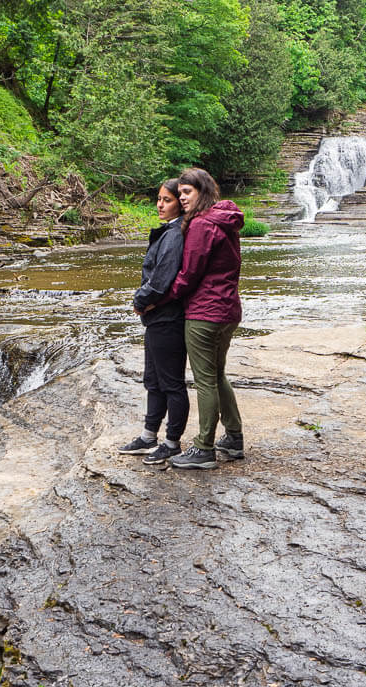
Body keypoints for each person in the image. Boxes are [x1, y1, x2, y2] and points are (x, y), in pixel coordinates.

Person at [166, 167, 244, 470]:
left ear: (203, 192)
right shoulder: (226, 220)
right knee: (218, 373)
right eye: (181, 192)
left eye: (188, 192)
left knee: (205, 380)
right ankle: (233, 437)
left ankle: (204, 448)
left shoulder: (201, 225)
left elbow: (189, 273)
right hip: (228, 309)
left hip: (204, 312)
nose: (182, 198)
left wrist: (161, 298)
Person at [118, 179, 190, 465]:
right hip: (158, 317)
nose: (160, 204)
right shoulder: (170, 231)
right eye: (158, 199)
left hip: (168, 318)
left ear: (179, 203)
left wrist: (140, 300)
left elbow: (162, 277)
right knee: (153, 379)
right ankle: (149, 436)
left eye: (167, 200)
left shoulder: (175, 235)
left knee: (171, 383)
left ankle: (172, 442)